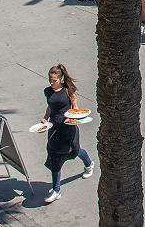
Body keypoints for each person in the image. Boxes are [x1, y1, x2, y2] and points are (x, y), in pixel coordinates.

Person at [40, 64, 94, 202]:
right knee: (55, 157)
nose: (51, 83)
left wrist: (74, 119)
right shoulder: (48, 92)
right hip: (53, 129)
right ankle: (56, 190)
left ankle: (89, 164)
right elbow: (50, 107)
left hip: (68, 128)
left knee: (75, 150)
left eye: (54, 80)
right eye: (50, 80)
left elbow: (75, 108)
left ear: (61, 78)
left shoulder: (68, 90)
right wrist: (45, 119)